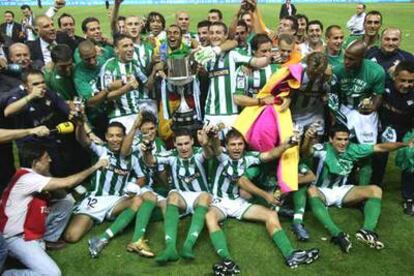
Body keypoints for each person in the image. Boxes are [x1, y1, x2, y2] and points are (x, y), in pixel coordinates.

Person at [206, 129, 319, 273]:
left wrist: (287, 145)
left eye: (240, 144)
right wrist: (214, 136)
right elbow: (215, 146)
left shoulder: (250, 157)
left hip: (238, 202)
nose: (236, 148)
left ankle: (290, 254)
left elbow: (270, 154)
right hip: (219, 202)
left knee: (271, 215)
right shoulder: (220, 155)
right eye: (232, 145)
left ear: (244, 146)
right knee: (210, 217)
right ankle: (227, 260)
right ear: (226, 146)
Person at [0, 142, 108, 275]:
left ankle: (48, 240)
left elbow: (62, 194)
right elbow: (69, 182)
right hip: (16, 237)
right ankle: (8, 273)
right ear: (36, 163)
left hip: (26, 228)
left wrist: (46, 173)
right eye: (46, 158)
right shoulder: (28, 178)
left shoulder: (31, 175)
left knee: (66, 203)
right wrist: (96, 166)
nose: (50, 160)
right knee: (52, 274)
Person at [302, 125, 413, 253]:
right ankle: (337, 234)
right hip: (321, 191)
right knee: (311, 190)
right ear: (331, 139)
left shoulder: (354, 149)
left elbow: (380, 147)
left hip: (342, 191)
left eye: (345, 139)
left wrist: (405, 144)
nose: (343, 143)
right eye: (339, 139)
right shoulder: (322, 149)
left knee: (375, 190)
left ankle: (367, 231)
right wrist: (307, 139)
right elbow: (306, 152)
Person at [142, 127, 215, 264]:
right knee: (173, 195)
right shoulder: (172, 155)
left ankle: (188, 246)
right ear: (174, 144)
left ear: (192, 141)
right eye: (180, 144)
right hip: (181, 197)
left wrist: (205, 143)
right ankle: (170, 249)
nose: (183, 147)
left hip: (199, 197)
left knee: (205, 196)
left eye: (186, 143)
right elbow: (151, 161)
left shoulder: (200, 153)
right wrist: (146, 151)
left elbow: (210, 155)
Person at [64, 120, 143, 243]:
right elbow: (83, 140)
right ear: (106, 137)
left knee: (138, 200)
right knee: (71, 237)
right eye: (111, 136)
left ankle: (105, 237)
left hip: (116, 200)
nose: (115, 139)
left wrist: (135, 186)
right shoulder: (101, 150)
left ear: (124, 137)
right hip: (96, 199)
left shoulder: (132, 158)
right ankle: (93, 219)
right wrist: (79, 125)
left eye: (118, 135)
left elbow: (142, 177)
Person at [330, 40, 385, 185]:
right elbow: (332, 97)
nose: (346, 61)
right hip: (343, 110)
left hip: (365, 114)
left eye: (351, 59)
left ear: (362, 58)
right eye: (345, 57)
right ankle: (345, 182)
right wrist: (334, 116)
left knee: (366, 152)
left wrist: (373, 106)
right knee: (344, 148)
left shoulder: (376, 71)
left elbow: (378, 95)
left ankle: (364, 188)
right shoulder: (338, 70)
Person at [373, 62, 414, 189]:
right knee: (380, 153)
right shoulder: (385, 87)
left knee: (410, 154)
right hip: (386, 126)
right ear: (394, 77)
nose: (406, 85)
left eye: (411, 81)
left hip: (407, 129)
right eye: (403, 80)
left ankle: (408, 195)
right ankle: (374, 185)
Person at [100, 34, 151, 133]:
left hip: (136, 114)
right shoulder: (109, 67)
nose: (130, 49)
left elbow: (147, 84)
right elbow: (106, 97)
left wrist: (156, 69)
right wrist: (127, 88)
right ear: (116, 50)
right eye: (125, 46)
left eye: (131, 45)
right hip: (119, 117)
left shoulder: (134, 63)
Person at [74, 39, 109, 139]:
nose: (92, 61)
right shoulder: (79, 74)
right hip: (97, 116)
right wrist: (108, 90)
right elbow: (90, 102)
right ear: (80, 57)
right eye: (87, 59)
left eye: (94, 57)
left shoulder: (103, 61)